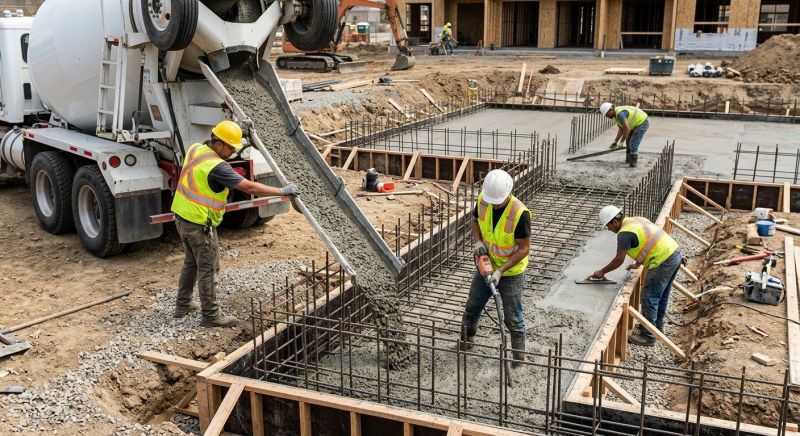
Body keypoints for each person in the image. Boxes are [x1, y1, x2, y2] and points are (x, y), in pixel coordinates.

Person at [171, 120, 300, 327]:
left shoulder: (196, 149)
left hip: (181, 217)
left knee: (191, 263)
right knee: (208, 267)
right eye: (230, 148)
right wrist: (281, 192)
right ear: (219, 144)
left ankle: (183, 305)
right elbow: (247, 187)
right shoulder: (217, 167)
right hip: (199, 225)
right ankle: (211, 316)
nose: (232, 152)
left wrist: (245, 137)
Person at [460, 169, 531, 367]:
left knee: (513, 319)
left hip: (511, 272)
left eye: (497, 200)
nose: (493, 203)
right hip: (487, 265)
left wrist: (501, 271)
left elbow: (524, 249)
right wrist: (478, 243)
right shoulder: (484, 199)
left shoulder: (520, 213)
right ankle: (466, 344)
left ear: (508, 193)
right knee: (472, 306)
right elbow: (475, 221)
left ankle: (518, 360)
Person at [592, 205, 682, 346]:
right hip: (674, 254)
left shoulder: (624, 234)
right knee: (662, 295)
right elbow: (648, 242)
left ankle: (648, 336)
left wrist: (602, 272)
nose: (609, 230)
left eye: (608, 227)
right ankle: (656, 327)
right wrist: (638, 263)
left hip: (663, 261)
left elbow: (618, 260)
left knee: (649, 296)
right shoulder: (636, 220)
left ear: (614, 222)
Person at [599, 102, 649, 168]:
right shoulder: (615, 116)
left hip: (642, 123)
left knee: (633, 144)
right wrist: (615, 141)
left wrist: (621, 142)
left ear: (610, 109)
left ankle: (633, 164)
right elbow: (621, 129)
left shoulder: (620, 114)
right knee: (628, 141)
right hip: (635, 123)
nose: (607, 116)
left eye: (607, 114)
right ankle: (629, 160)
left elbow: (626, 129)